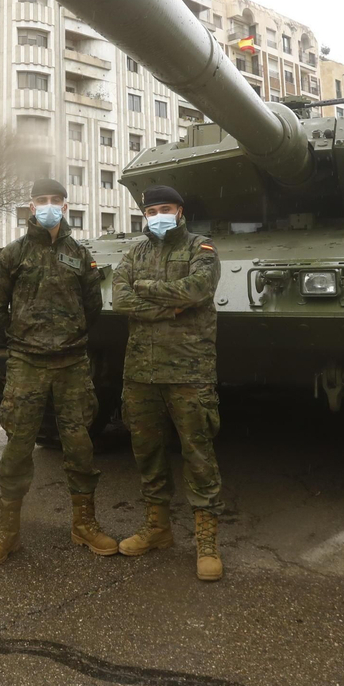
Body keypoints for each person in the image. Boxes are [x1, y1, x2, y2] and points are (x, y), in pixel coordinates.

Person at [0, 178, 116, 567]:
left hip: (71, 364)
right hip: (27, 363)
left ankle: (84, 524)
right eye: (42, 200)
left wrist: (70, 334)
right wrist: (18, 339)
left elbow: (92, 306)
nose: (49, 206)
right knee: (18, 447)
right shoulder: (14, 254)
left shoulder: (79, 254)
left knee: (80, 446)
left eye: (56, 200)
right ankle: (7, 532)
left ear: (66, 206)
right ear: (31, 206)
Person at [111, 185, 225, 582]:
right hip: (141, 371)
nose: (158, 214)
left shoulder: (201, 248)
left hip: (189, 370)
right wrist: (169, 307)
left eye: (165, 208)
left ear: (179, 210)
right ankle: (157, 527)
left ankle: (206, 541)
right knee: (147, 451)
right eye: (151, 210)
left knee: (198, 453)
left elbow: (197, 290)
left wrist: (145, 290)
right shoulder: (134, 253)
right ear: (145, 215)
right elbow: (120, 299)